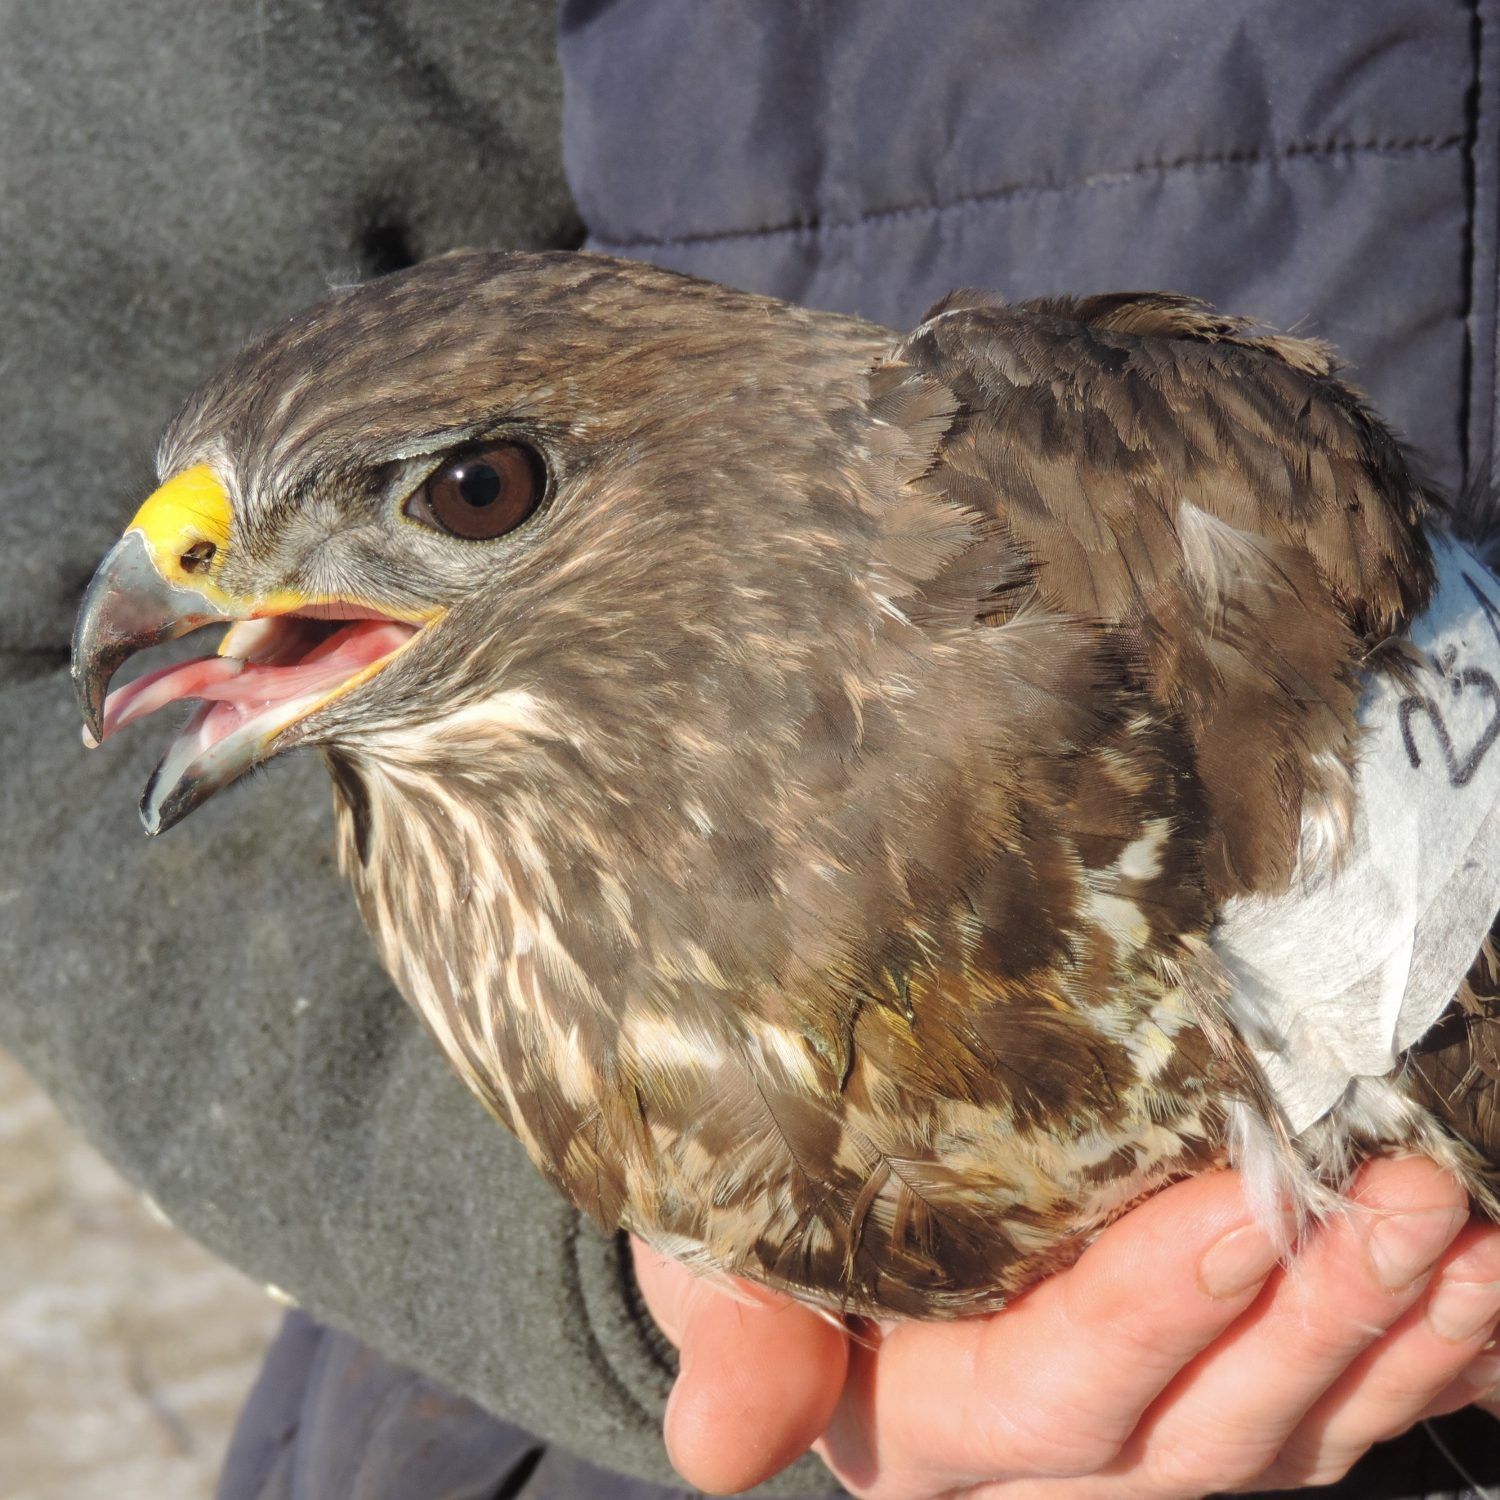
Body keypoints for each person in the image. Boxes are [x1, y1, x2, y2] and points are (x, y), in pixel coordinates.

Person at [4, 3, 1499, 1496]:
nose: (175, 579)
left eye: (473, 494)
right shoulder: (418, 804)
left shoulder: (1107, 503)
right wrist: (602, 1294)